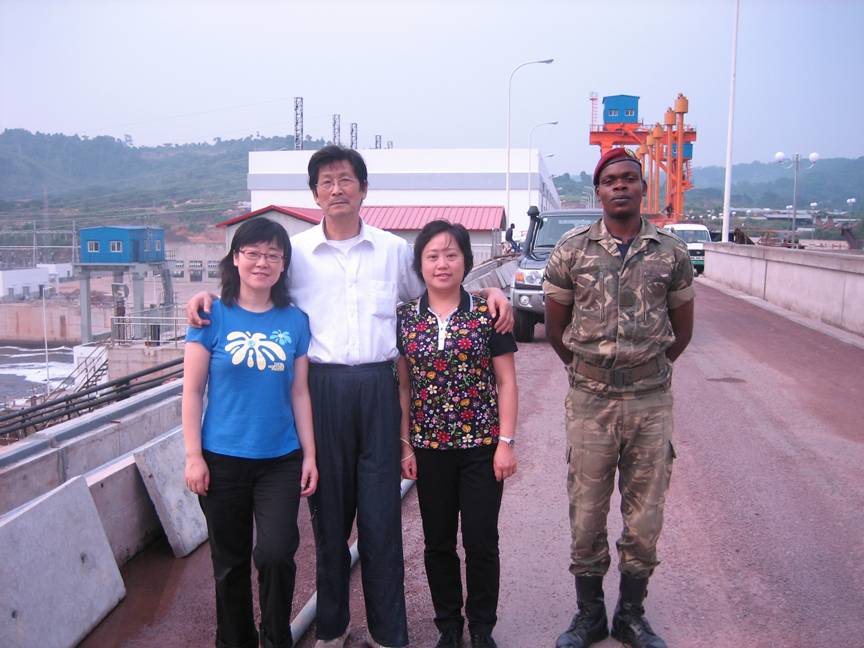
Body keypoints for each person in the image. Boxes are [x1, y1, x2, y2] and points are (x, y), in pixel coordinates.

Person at [186, 145, 513, 648]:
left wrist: (490, 294)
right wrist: (209, 295)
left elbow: (437, 289)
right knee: (329, 521)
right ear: (314, 193)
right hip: (321, 390)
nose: (336, 189)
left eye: (346, 180)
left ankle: (388, 632)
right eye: (326, 182)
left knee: (382, 519)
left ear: (363, 189)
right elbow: (255, 287)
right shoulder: (296, 254)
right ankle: (333, 627)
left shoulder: (392, 251)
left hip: (380, 389)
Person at [543, 147, 694, 648]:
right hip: (590, 401)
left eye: (630, 178)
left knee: (645, 516)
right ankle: (589, 616)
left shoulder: (671, 252)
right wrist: (592, 371)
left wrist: (643, 371)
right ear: (599, 191)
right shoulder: (571, 250)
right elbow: (556, 328)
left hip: (650, 401)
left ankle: (631, 615)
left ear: (643, 188)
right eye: (611, 180)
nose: (621, 186)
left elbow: (682, 331)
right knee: (586, 512)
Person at [182, 217, 318, 648]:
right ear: (236, 259)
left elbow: (300, 392)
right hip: (222, 459)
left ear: (283, 265)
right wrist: (193, 456)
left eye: (273, 255)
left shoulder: (295, 321)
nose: (263, 262)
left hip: (280, 460)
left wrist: (310, 455)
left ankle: (276, 638)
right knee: (230, 563)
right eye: (254, 253)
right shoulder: (211, 316)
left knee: (277, 554)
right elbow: (192, 391)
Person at [396, 221, 518, 648]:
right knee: (438, 543)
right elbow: (403, 387)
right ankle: (448, 625)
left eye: (451, 255)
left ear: (466, 260)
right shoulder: (405, 318)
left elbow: (506, 382)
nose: (442, 264)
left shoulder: (489, 314)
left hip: (482, 448)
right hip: (430, 449)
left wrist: (506, 443)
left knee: (482, 540)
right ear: (420, 264)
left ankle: (482, 626)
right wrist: (406, 445)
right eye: (432, 256)